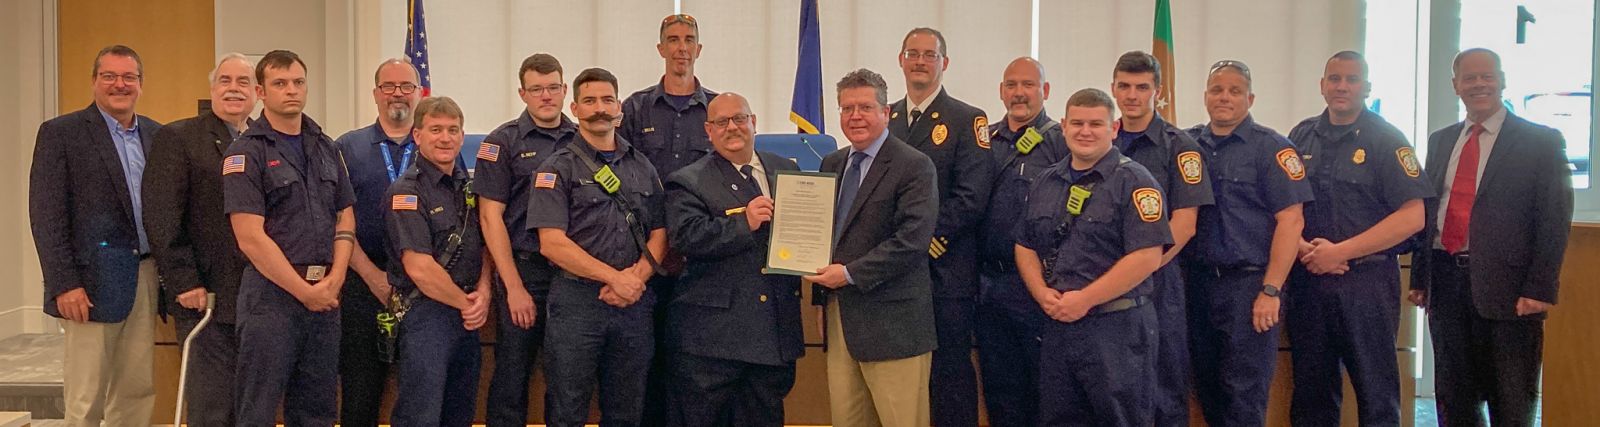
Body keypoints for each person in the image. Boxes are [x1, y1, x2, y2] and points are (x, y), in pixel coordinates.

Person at [1411, 47, 1573, 427]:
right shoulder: (1440, 141)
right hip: (1446, 282)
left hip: (1511, 290)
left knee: (1511, 397)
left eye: (1487, 76)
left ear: (1503, 81)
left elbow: (1553, 219)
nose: (1479, 84)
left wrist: (1540, 287)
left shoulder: (1541, 141)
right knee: (1453, 395)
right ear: (1456, 86)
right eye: (1469, 78)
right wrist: (1421, 278)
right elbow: (1428, 212)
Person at [1284, 50, 1431, 427]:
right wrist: (1304, 250)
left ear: (1367, 87)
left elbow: (1413, 216)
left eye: (1351, 79)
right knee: (1311, 392)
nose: (1342, 86)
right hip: (1309, 279)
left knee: (1375, 392)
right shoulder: (1300, 136)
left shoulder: (1387, 140)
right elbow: (1283, 205)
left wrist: (1341, 252)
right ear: (1322, 86)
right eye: (1334, 79)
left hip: (1365, 283)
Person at [1017, 87, 1172, 426]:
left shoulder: (1135, 182)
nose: (1085, 131)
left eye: (1095, 124)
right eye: (1077, 123)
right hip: (1059, 327)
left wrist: (1085, 299)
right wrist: (1041, 293)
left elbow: (1147, 256)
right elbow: (1025, 244)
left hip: (1117, 330)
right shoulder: (1046, 180)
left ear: (1113, 129)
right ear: (1063, 126)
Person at [29, 44, 162, 427]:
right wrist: (64, 283)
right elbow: (46, 216)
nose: (119, 84)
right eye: (109, 76)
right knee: (87, 396)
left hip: (145, 276)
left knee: (137, 390)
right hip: (88, 284)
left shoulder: (155, 135)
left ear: (140, 83)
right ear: (94, 81)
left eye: (129, 77)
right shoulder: (62, 133)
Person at [223, 49, 356, 426]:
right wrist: (304, 291)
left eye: (298, 82)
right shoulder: (246, 153)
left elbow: (345, 215)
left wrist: (336, 280)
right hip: (272, 299)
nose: (291, 91)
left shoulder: (326, 146)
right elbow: (250, 237)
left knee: (317, 410)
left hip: (326, 294)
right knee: (258, 411)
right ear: (261, 92)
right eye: (280, 84)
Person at [529, 67, 668, 427]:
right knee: (567, 408)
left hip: (634, 305)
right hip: (577, 305)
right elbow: (552, 243)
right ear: (574, 108)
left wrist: (635, 279)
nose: (599, 108)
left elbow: (660, 231)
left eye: (607, 99)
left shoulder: (642, 166)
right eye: (589, 101)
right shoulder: (554, 168)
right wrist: (614, 278)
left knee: (628, 409)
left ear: (619, 106)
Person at [1184, 59, 1314, 427]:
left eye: (1234, 91)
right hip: (1196, 283)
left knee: (1245, 393)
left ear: (1250, 98)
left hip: (1249, 286)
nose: (1224, 97)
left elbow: (1291, 221)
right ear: (1205, 96)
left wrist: (1271, 290)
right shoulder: (1186, 145)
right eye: (1217, 90)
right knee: (1205, 386)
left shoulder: (1272, 148)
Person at [807, 68, 939, 427]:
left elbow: (912, 241)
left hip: (894, 326)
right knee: (847, 421)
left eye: (865, 107)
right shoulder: (832, 163)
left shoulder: (914, 165)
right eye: (847, 108)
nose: (855, 116)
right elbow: (825, 239)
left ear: (886, 112)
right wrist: (821, 301)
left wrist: (849, 275)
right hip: (840, 321)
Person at [662, 92, 803, 426]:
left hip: (773, 335)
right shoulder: (688, 180)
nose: (732, 128)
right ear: (708, 131)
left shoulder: (787, 170)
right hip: (712, 345)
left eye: (739, 118)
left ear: (754, 122)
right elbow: (686, 237)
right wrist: (744, 222)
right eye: (722, 122)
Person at [143, 52, 256, 427]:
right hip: (204, 296)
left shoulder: (264, 141)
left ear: (257, 92)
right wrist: (184, 281)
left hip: (257, 297)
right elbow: (161, 217)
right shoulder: (178, 137)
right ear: (212, 89)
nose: (234, 89)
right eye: (226, 81)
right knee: (211, 407)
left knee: (251, 406)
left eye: (243, 82)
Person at [887, 27, 993, 426]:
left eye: (929, 55)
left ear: (944, 64)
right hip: (895, 273)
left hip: (945, 268)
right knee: (902, 373)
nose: (919, 61)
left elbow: (971, 196)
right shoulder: (887, 117)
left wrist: (923, 238)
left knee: (948, 370)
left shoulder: (968, 119)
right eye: (912, 53)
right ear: (900, 60)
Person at [617, 16, 719, 423]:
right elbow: (619, 176)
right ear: (660, 49)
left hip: (699, 256)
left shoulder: (717, 109)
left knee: (693, 362)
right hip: (643, 256)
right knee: (644, 359)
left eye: (689, 40)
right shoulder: (635, 109)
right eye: (672, 40)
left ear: (699, 49)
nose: (681, 48)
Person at [1109, 50, 1215, 427]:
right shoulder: (1103, 140)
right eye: (1124, 86)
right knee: (1114, 391)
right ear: (1113, 89)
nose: (1132, 95)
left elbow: (1185, 224)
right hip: (1105, 287)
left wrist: (1137, 269)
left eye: (1142, 87)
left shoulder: (1180, 146)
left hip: (1159, 283)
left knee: (1164, 391)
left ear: (1157, 91)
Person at [477, 53, 578, 427]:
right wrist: (514, 286)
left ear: (565, 90)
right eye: (537, 89)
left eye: (553, 87)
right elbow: (490, 218)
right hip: (524, 272)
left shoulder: (584, 140)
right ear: (523, 93)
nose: (546, 96)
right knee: (511, 377)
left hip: (573, 277)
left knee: (567, 379)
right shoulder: (501, 143)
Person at [385, 96, 493, 427]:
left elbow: (485, 245)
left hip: (468, 316)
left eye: (452, 130)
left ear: (462, 136)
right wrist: (467, 304)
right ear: (417, 136)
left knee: (460, 415)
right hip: (426, 315)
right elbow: (419, 268)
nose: (445, 138)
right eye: (435, 130)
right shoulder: (406, 193)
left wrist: (485, 291)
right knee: (422, 415)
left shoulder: (470, 187)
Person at [974, 56, 1066, 427]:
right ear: (1000, 91)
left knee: (1044, 390)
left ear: (1044, 91)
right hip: (987, 285)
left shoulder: (1060, 141)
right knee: (1000, 390)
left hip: (1037, 287)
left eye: (1028, 85)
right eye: (1011, 85)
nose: (1019, 93)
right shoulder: (985, 140)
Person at [332, 57, 421, 427]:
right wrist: (372, 277)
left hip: (423, 289)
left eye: (406, 86)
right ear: (375, 94)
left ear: (419, 94)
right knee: (360, 393)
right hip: (361, 286)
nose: (397, 94)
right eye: (388, 86)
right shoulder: (346, 148)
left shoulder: (436, 143)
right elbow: (335, 220)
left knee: (420, 394)